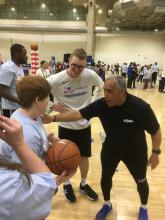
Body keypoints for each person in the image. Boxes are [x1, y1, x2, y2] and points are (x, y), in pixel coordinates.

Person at [43, 75, 161, 220]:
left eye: (110, 91)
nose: (105, 95)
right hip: (111, 149)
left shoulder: (140, 107)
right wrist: (53, 118)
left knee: (141, 181)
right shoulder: (102, 104)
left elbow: (155, 131)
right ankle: (107, 204)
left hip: (136, 152)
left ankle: (143, 208)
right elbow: (78, 114)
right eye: (104, 90)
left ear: (122, 92)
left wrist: (155, 152)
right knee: (105, 178)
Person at [46, 48, 104, 203]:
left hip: (84, 124)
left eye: (81, 66)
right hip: (66, 124)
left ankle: (84, 184)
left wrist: (94, 102)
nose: (77, 69)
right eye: (74, 65)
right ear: (68, 62)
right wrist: (52, 105)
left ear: (85, 65)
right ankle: (66, 184)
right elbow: (38, 92)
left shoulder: (89, 75)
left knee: (84, 157)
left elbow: (101, 86)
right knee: (63, 158)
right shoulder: (56, 79)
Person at [0, 116, 74, 220]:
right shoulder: (8, 182)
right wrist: (18, 143)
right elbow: (38, 195)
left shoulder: (29, 117)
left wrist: (46, 144)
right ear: (38, 100)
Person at [0, 75, 56, 164]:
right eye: (47, 96)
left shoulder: (25, 112)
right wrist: (55, 179)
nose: (49, 100)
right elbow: (23, 174)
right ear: (38, 100)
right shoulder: (28, 136)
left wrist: (45, 140)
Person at [0, 44, 28, 117]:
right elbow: (1, 90)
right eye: (24, 54)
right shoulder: (8, 67)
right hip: (10, 108)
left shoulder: (19, 66)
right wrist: (20, 101)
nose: (27, 56)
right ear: (17, 54)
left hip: (19, 106)